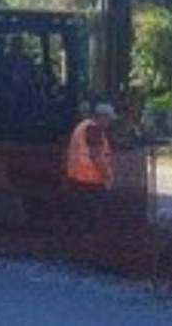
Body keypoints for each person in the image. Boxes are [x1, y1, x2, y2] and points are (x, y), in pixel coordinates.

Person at [65, 102, 116, 239]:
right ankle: (90, 247)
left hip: (78, 179)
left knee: (81, 217)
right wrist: (108, 178)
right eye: (109, 119)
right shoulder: (94, 130)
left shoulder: (82, 126)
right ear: (102, 117)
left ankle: (79, 245)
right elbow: (97, 157)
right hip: (91, 181)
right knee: (93, 218)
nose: (109, 123)